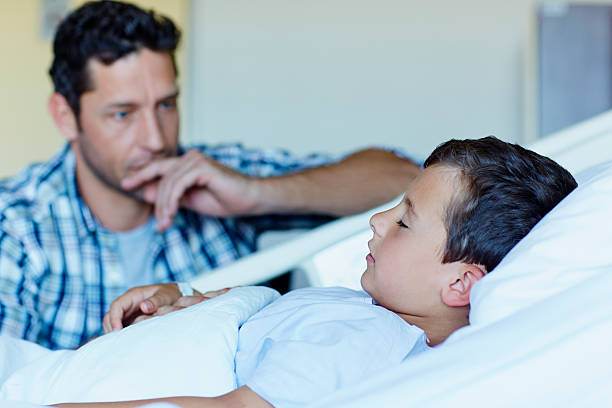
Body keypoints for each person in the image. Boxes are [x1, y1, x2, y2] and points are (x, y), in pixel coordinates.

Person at [0, 0, 421, 350]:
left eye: (166, 105)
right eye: (123, 114)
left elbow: (411, 180)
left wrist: (257, 195)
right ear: (65, 116)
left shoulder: (214, 174)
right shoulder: (15, 223)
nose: (154, 138)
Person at [53, 136, 577, 407]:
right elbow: (265, 316)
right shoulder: (361, 308)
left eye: (404, 222)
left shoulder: (366, 340)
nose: (376, 220)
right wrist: (185, 298)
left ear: (461, 283)